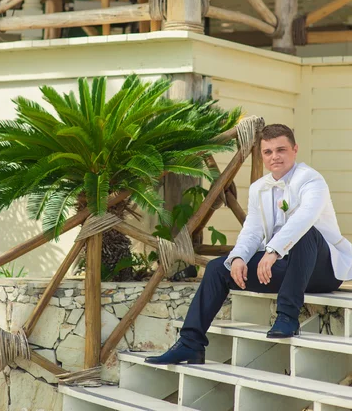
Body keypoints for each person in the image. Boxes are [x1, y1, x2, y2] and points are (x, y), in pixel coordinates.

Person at [145, 123, 352, 365]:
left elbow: (303, 219)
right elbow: (252, 230)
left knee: (306, 233)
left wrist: (272, 251)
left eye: (281, 150)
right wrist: (239, 258)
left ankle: (287, 317)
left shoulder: (311, 180)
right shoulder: (258, 189)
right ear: (263, 155)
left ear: (295, 150)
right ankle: (191, 344)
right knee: (216, 269)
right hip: (285, 269)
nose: (275, 157)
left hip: (323, 269)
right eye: (268, 152)